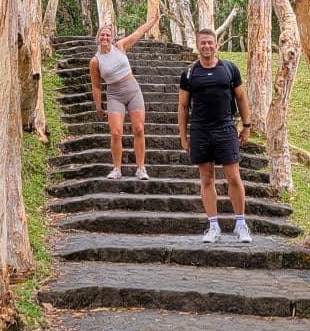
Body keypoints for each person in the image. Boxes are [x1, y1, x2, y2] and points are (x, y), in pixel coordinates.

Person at [177, 26, 253, 243]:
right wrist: (183, 136)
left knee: (233, 177)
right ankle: (213, 226)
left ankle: (241, 224)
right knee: (207, 178)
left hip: (225, 129)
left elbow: (241, 98)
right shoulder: (189, 73)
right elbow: (183, 106)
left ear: (216, 44)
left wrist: (246, 126)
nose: (207, 46)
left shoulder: (229, 69)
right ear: (197, 45)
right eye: (203, 43)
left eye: (210, 42)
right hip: (200, 130)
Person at [89, 12, 160, 179]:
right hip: (114, 94)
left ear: (111, 38)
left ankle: (141, 168)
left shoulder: (120, 47)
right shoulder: (95, 61)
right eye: (102, 35)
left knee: (139, 129)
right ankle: (117, 169)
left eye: (108, 35)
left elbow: (138, 33)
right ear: (98, 38)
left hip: (132, 89)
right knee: (115, 132)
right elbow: (96, 86)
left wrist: (153, 20)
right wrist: (98, 106)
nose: (105, 37)